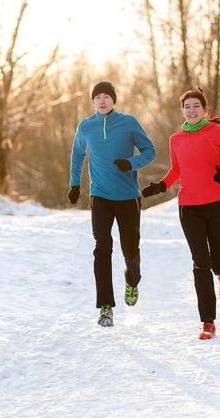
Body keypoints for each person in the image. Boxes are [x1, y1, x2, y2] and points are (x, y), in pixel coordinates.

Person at [142, 87, 220, 340]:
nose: (192, 110)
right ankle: (208, 321)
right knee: (200, 263)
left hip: (218, 204)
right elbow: (177, 170)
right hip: (189, 207)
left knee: (218, 262)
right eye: (187, 107)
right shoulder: (176, 139)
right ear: (182, 111)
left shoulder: (217, 132)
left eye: (196, 106)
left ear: (205, 110)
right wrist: (161, 186)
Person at [68, 81, 157, 327]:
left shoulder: (128, 123)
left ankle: (133, 280)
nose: (102, 101)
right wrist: (75, 184)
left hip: (128, 196)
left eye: (107, 96)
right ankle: (105, 307)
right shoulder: (86, 126)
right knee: (102, 247)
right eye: (98, 97)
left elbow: (150, 151)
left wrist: (131, 163)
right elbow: (77, 155)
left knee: (130, 249)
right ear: (93, 101)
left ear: (114, 100)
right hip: (101, 197)